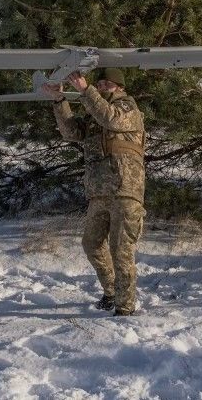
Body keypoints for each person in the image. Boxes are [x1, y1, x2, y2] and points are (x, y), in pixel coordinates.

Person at [44, 68, 146, 316]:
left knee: (121, 250)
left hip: (125, 191)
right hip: (99, 193)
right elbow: (70, 132)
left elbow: (110, 118)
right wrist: (59, 99)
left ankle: (125, 308)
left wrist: (85, 90)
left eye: (106, 84)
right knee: (91, 244)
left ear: (120, 87)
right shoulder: (95, 115)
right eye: (98, 84)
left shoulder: (128, 109)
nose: (100, 87)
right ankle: (111, 292)